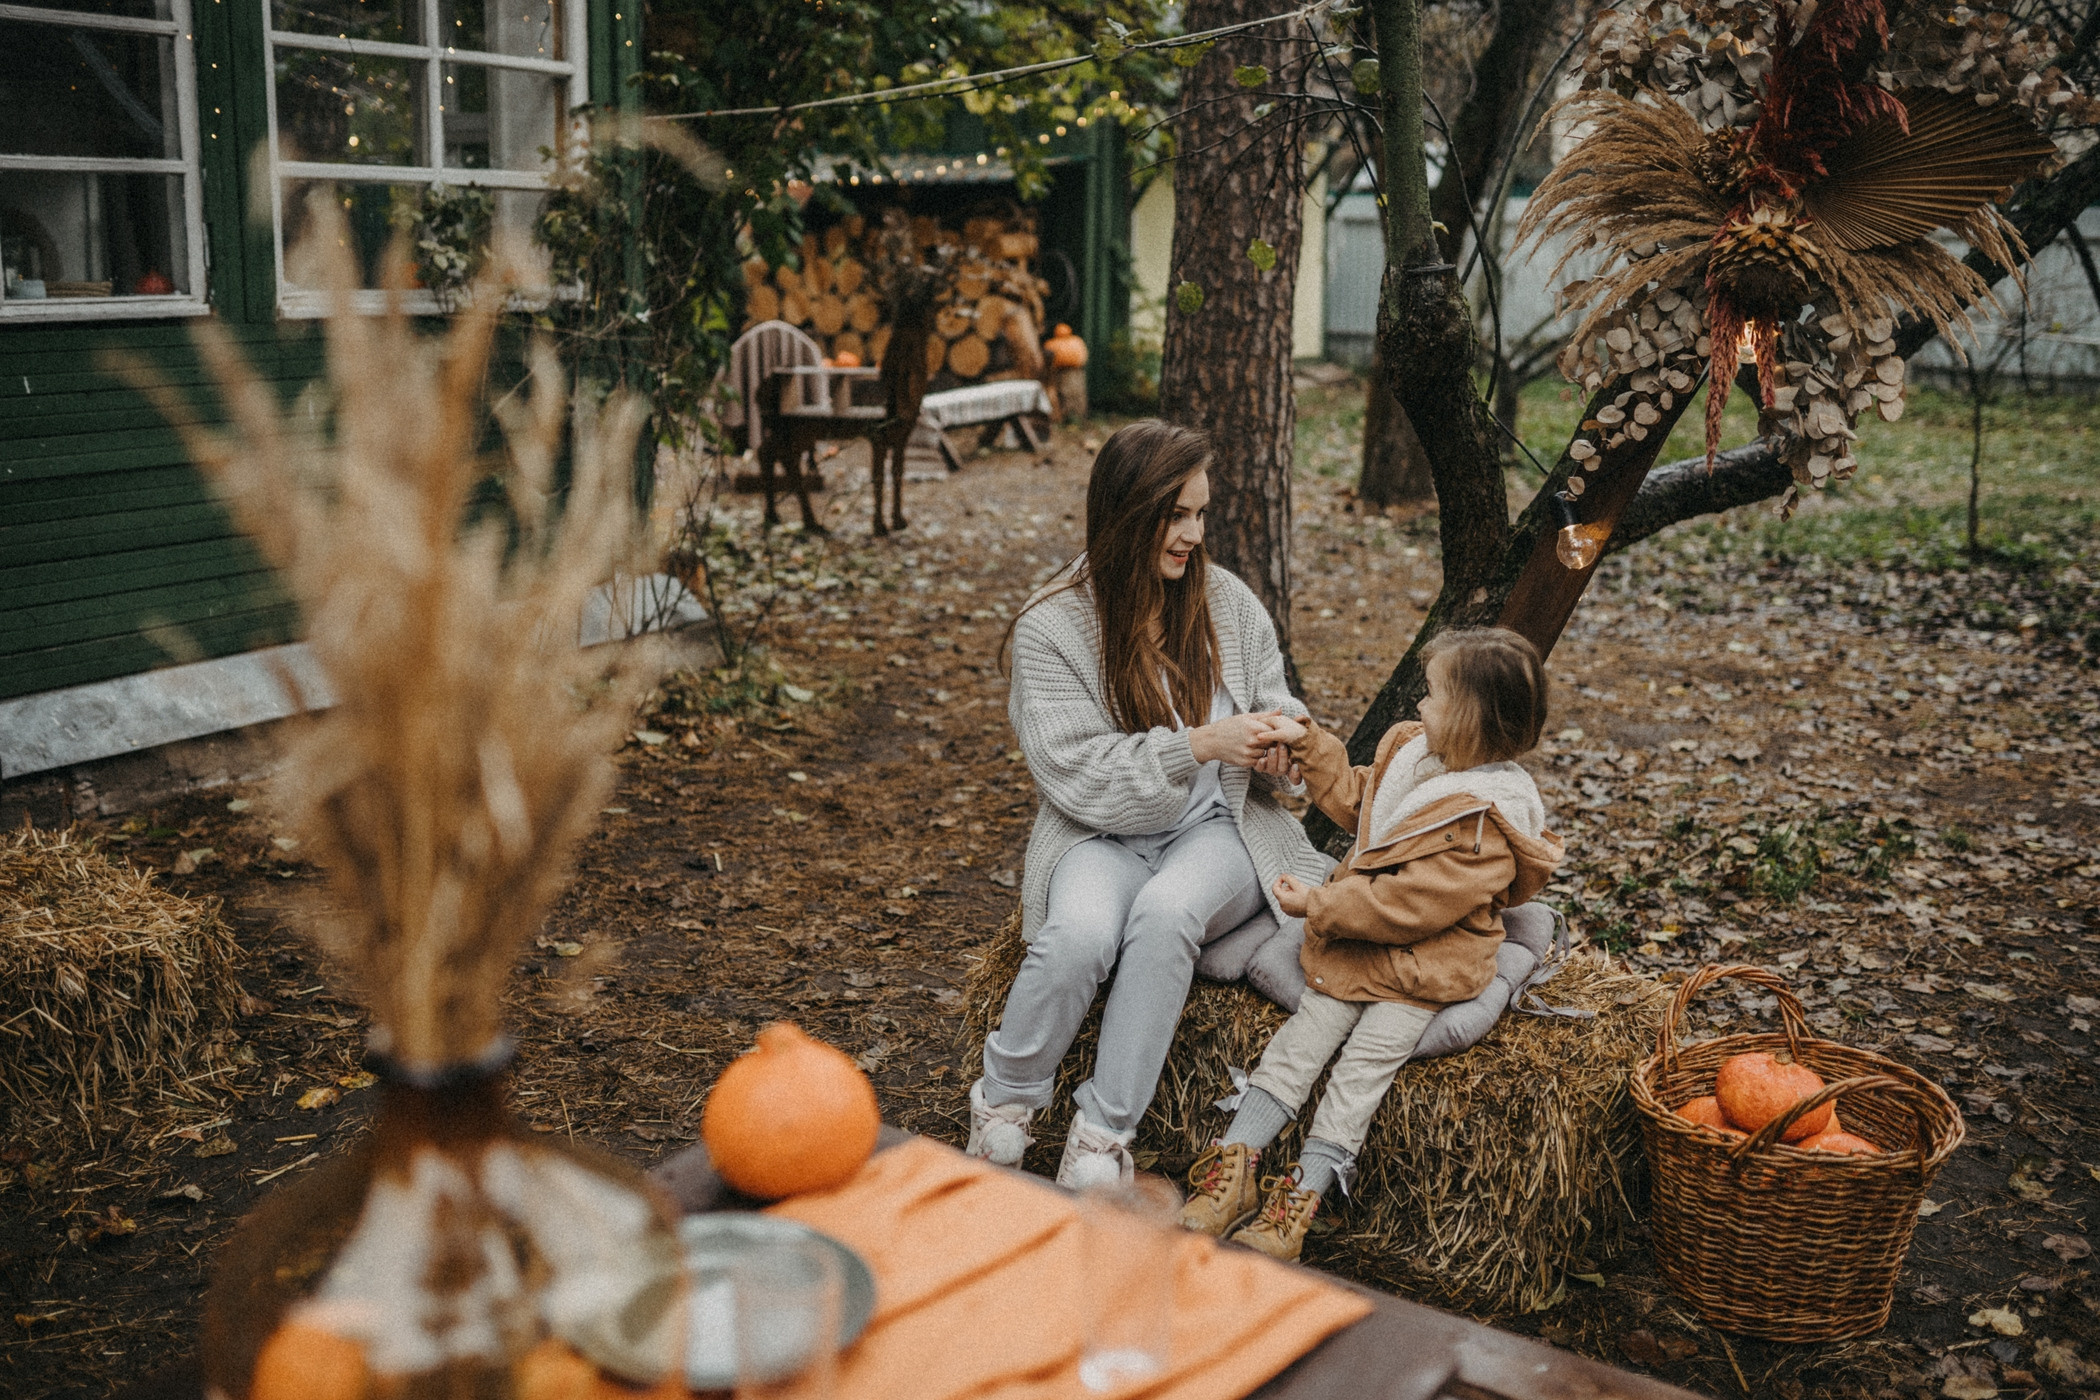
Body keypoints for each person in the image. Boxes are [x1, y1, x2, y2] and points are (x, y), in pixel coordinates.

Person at [967, 420, 1333, 1189]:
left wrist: (1281, 743)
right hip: (1100, 835)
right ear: (1128, 513)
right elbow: (1075, 774)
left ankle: (1101, 1136)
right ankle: (1004, 1106)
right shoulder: (1053, 628)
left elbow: (1276, 703)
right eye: (1176, 515)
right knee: (1076, 937)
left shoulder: (1227, 603)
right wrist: (1198, 744)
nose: (1194, 535)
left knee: (1166, 916)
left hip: (1218, 828)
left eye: (1201, 514)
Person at [1177, 627, 1565, 1261]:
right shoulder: (1419, 761)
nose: (1418, 705)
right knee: (1300, 1043)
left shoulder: (1484, 823)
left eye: (1433, 696)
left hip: (1426, 963)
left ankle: (1300, 1198)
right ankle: (1236, 1166)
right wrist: (1311, 748)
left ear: (1468, 720)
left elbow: (1410, 904)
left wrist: (1319, 905)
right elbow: (1366, 806)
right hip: (1361, 947)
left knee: (1360, 1074)